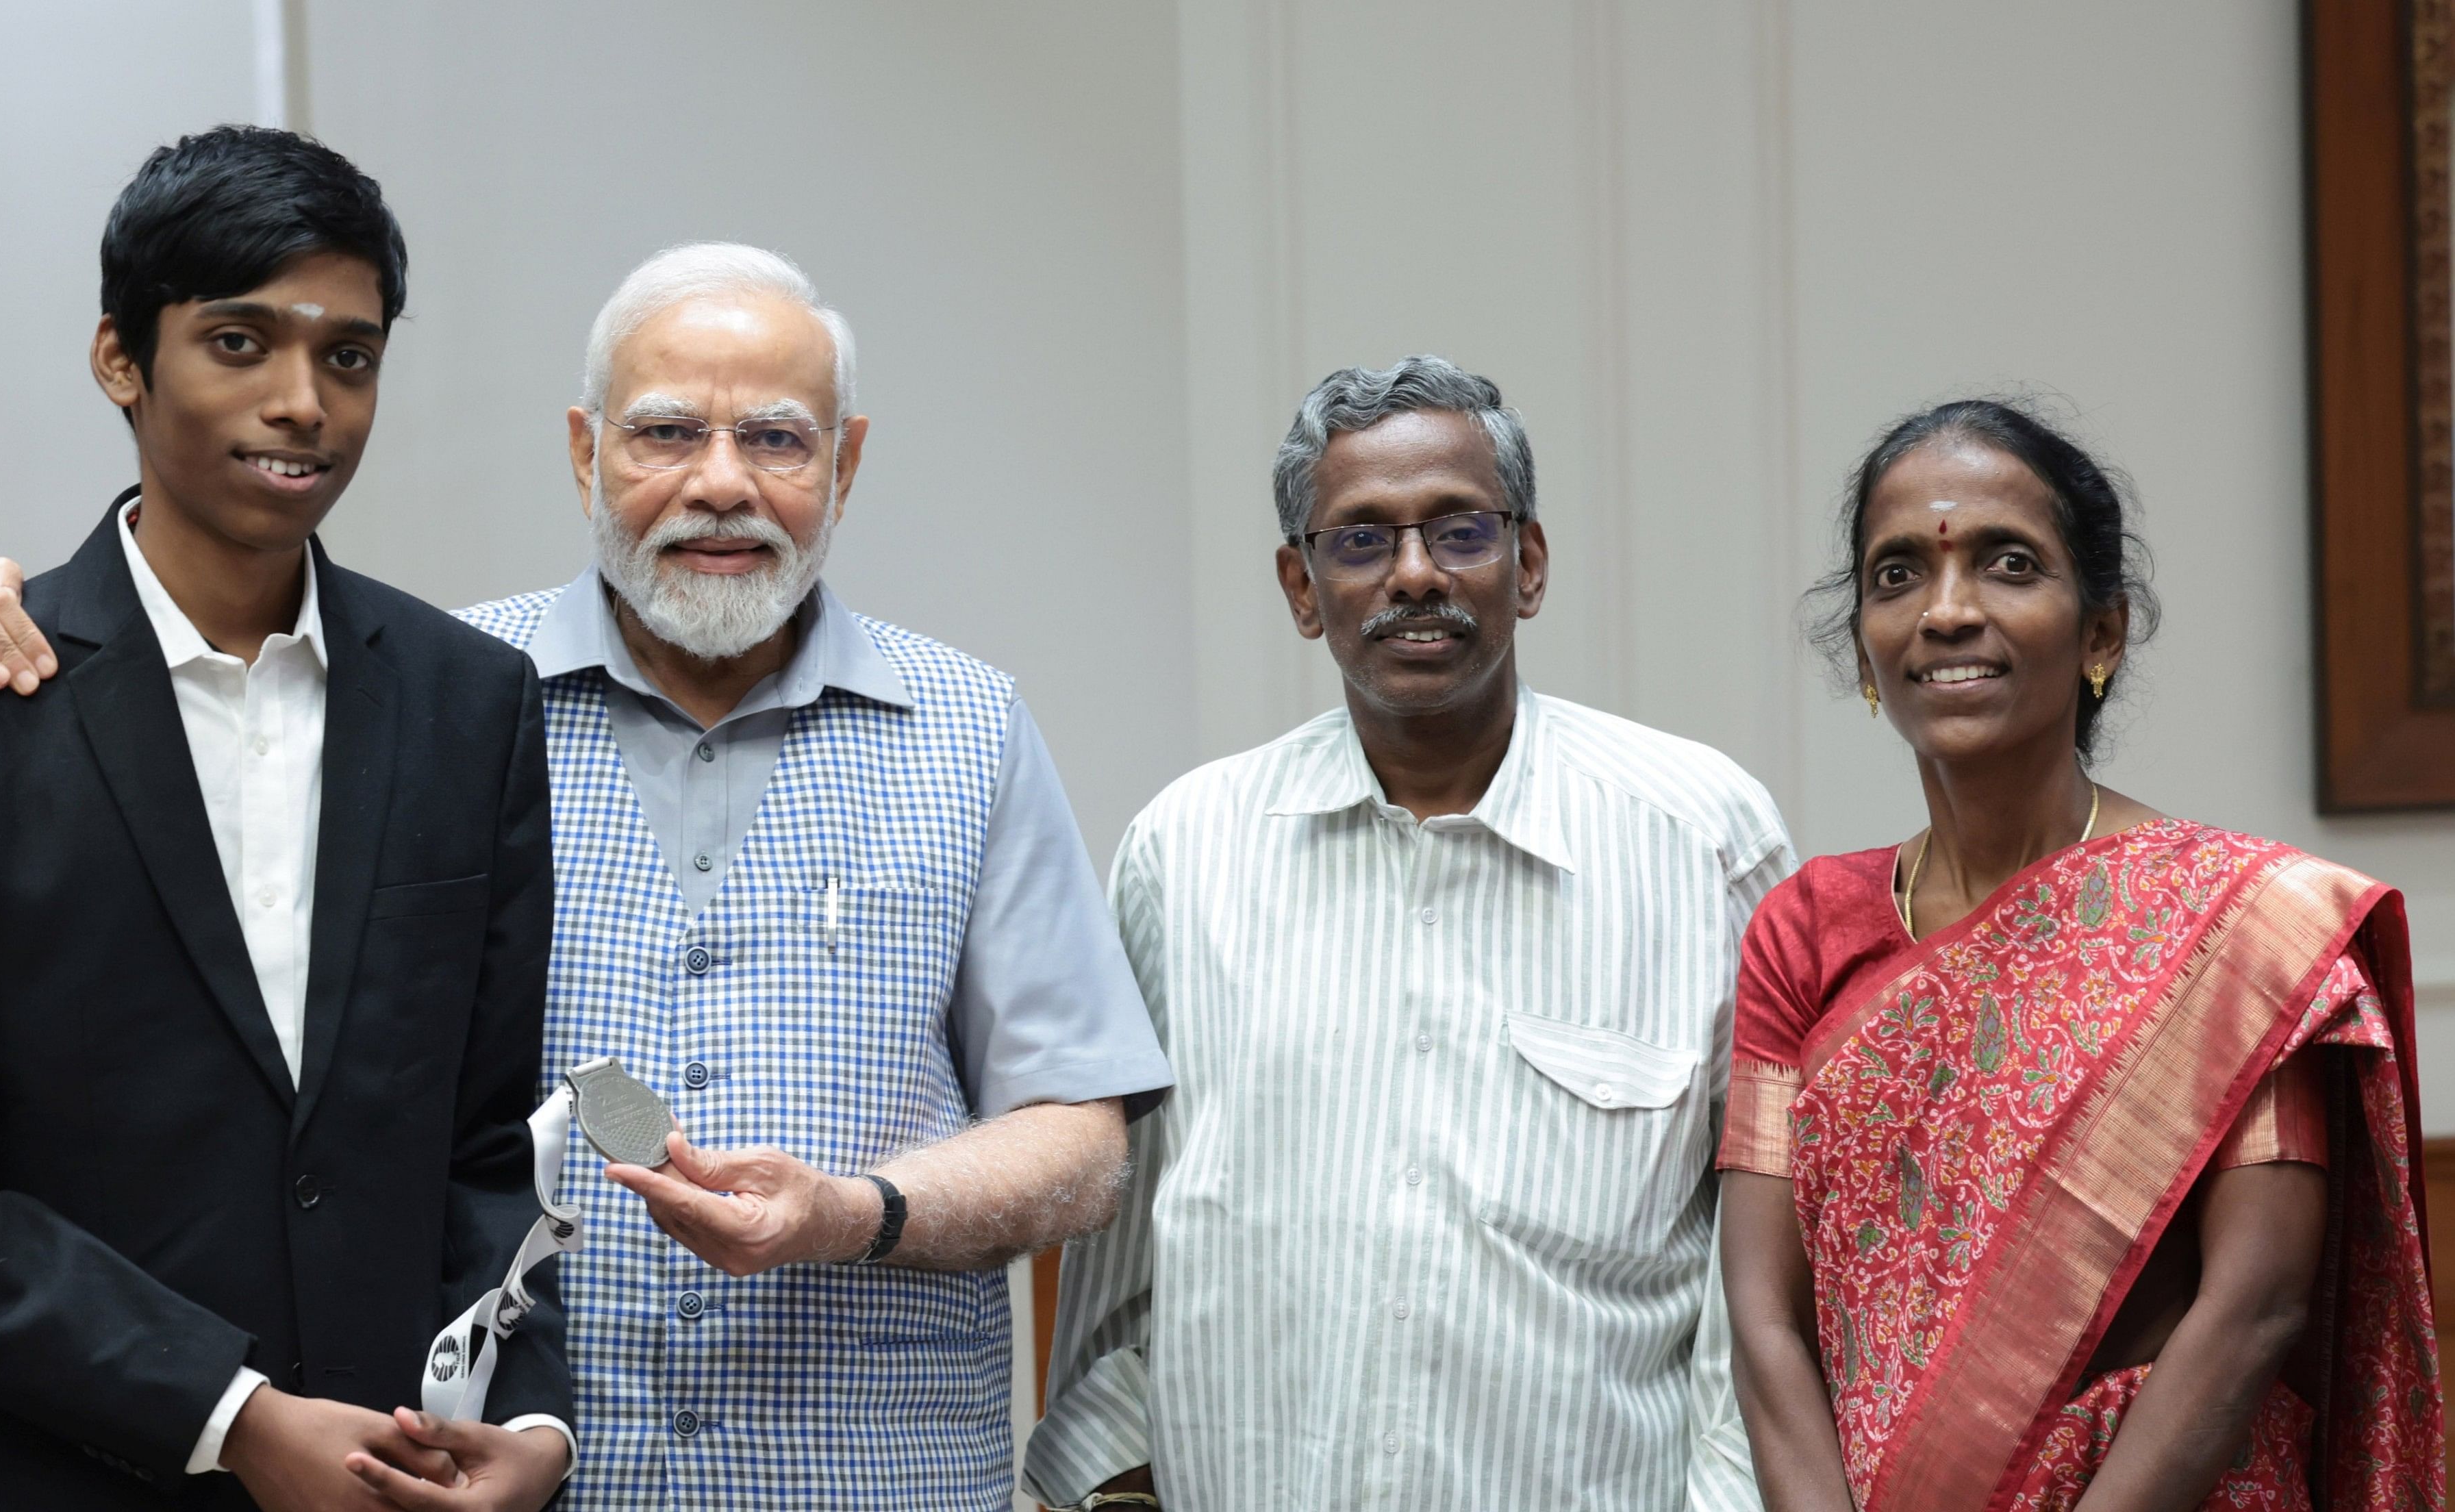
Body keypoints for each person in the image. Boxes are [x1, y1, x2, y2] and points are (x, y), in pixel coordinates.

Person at [0, 239, 1174, 1511]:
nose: (722, 482)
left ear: (847, 462)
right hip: (511, 1478)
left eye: (776, 436)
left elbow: (1079, 1144)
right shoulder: (438, 701)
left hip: (869, 1473)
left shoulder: (969, 729)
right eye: (663, 433)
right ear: (585, 449)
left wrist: (857, 1212)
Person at [0, 127, 574, 1511]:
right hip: (31, 1477)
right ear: (121, 360)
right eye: (238, 342)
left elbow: (483, 1146)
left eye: (348, 355)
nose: (303, 402)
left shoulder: (471, 703)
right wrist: (235, 1415)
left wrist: (527, 1420)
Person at [1028, 357, 1789, 1511]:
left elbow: (1761, 1273)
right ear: (1300, 588)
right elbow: (1118, 1255)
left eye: (1459, 532)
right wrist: (1112, 1478)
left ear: (1527, 564)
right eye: (1361, 540)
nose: (1415, 574)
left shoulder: (1701, 835)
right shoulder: (1185, 850)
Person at [1717, 398, 2443, 1511]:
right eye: (1897, 574)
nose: (1946, 610)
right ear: (1864, 643)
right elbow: (1766, 1319)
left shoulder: (2238, 926)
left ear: (2100, 632)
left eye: (2008, 565)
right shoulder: (1805, 928)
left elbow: (2255, 1303)